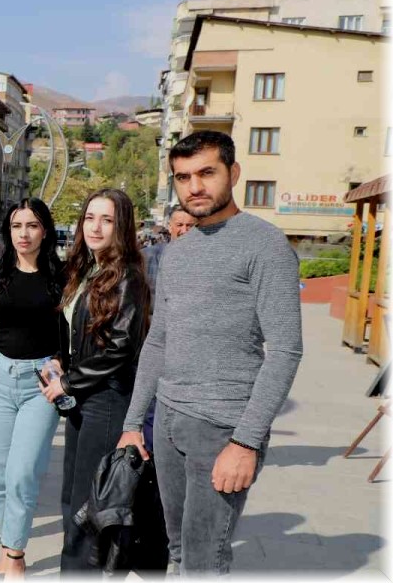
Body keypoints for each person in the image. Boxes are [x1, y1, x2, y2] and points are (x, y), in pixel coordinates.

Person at [117, 131, 303, 575]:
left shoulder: (266, 245)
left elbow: (285, 350)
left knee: (205, 561)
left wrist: (245, 442)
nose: (195, 186)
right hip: (168, 421)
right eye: (183, 177)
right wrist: (132, 425)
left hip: (222, 428)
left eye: (206, 173)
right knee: (179, 553)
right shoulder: (177, 253)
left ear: (233, 173)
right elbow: (158, 340)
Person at [0, 198, 69, 579]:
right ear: (9, 230)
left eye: (32, 225)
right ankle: (8, 548)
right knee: (1, 477)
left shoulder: (61, 276)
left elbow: (71, 330)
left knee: (23, 473)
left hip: (41, 384)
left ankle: (15, 555)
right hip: (0, 380)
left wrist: (63, 362)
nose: (24, 234)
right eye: (17, 225)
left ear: (45, 231)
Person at [42, 188, 149, 573]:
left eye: (107, 220)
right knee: (72, 496)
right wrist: (59, 363)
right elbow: (76, 332)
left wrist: (69, 382)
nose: (96, 227)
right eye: (90, 217)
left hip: (106, 401)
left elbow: (121, 348)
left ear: (122, 226)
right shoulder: (86, 269)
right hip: (82, 399)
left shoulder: (128, 277)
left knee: (89, 503)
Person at [139, 204, 197, 449]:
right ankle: (152, 455)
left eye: (190, 225)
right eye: (179, 225)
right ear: (169, 226)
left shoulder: (208, 262)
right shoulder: (147, 258)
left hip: (191, 351)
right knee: (151, 409)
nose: (184, 230)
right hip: (154, 345)